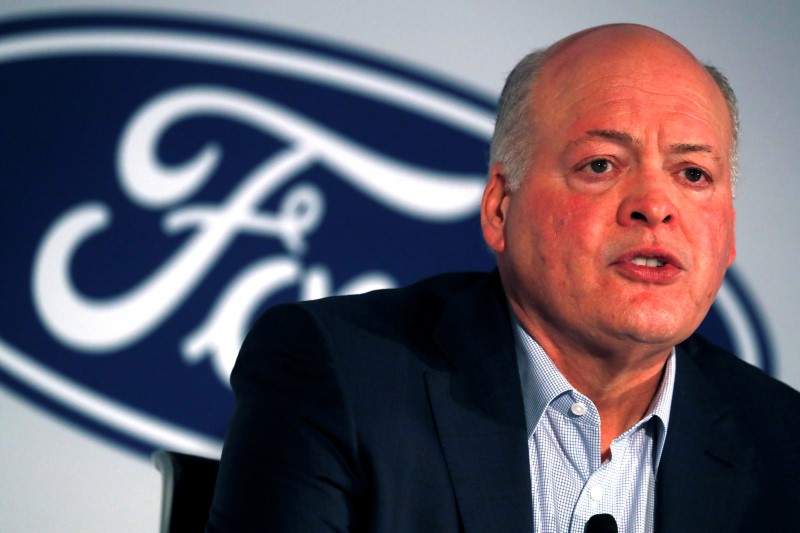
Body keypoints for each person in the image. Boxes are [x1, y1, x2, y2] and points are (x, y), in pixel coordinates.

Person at [207, 23, 800, 532]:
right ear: (500, 207)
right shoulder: (339, 377)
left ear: (727, 234)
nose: (654, 204)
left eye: (693, 174)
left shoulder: (784, 447)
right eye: (600, 165)